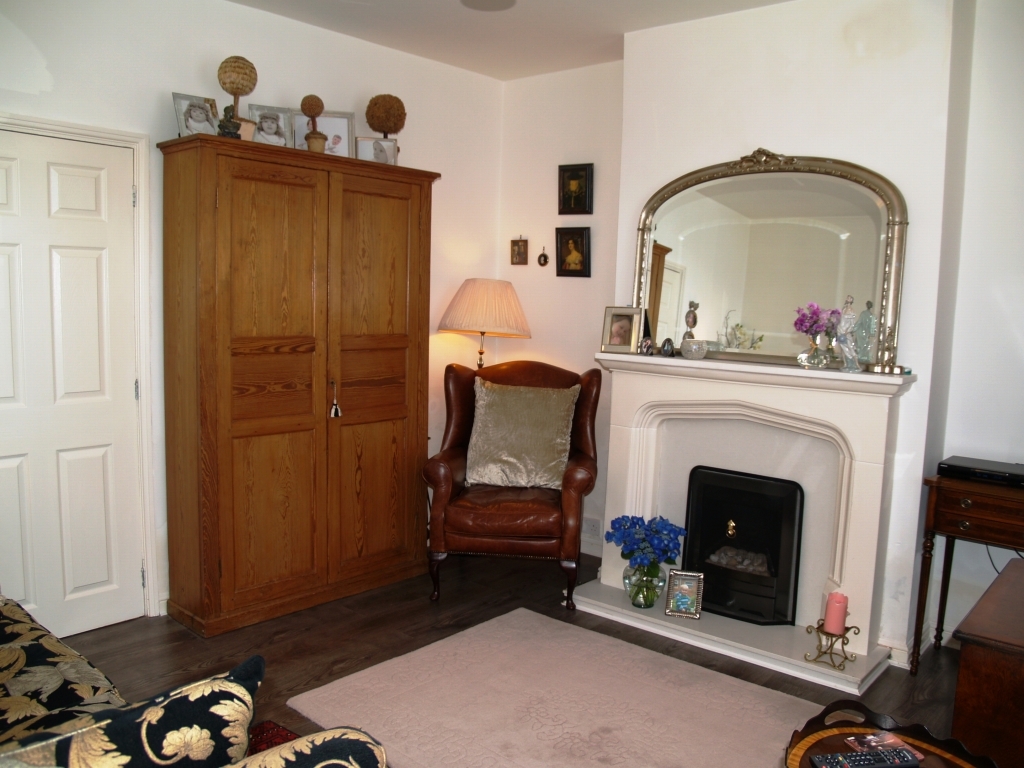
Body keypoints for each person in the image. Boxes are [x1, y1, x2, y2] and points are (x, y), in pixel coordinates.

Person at [836, 295, 859, 372]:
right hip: (840, 330)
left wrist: (847, 331)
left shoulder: (851, 311)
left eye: (850, 298)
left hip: (846, 332)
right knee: (843, 348)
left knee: (850, 347)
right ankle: (845, 364)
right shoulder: (844, 309)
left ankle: (856, 364)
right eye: (847, 298)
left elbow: (852, 324)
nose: (848, 299)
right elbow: (841, 320)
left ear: (851, 300)